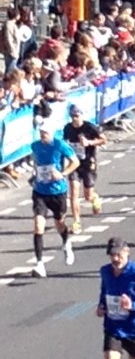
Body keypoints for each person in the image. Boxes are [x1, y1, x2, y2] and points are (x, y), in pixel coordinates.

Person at [30, 118, 79, 277]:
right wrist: (34, 175)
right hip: (40, 192)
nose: (43, 135)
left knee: (60, 223)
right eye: (41, 133)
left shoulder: (60, 145)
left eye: (45, 133)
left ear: (51, 133)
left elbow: (75, 162)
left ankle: (66, 243)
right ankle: (39, 264)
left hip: (58, 191)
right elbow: (36, 163)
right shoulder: (35, 146)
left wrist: (62, 174)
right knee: (38, 226)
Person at [64, 103, 105, 234]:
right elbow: (65, 144)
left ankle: (95, 198)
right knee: (74, 193)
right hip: (74, 164)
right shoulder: (67, 128)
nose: (75, 118)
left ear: (81, 115)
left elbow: (103, 139)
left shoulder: (89, 127)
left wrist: (90, 142)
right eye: (72, 116)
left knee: (87, 195)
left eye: (76, 115)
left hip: (88, 162)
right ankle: (77, 222)